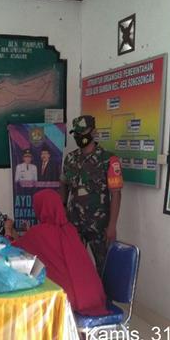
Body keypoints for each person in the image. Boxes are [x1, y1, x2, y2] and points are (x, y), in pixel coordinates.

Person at [14, 190, 109, 315]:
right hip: (93, 296)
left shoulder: (38, 233)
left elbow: (13, 251)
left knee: (28, 269)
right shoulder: (70, 229)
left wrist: (10, 232)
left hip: (65, 300)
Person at [60, 115, 123, 275]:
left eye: (83, 132)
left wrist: (112, 226)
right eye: (76, 133)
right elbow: (63, 184)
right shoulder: (70, 159)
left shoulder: (109, 159)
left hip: (99, 225)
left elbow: (116, 194)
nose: (79, 137)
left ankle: (102, 292)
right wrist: (62, 209)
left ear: (93, 132)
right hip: (74, 223)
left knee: (105, 268)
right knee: (74, 267)